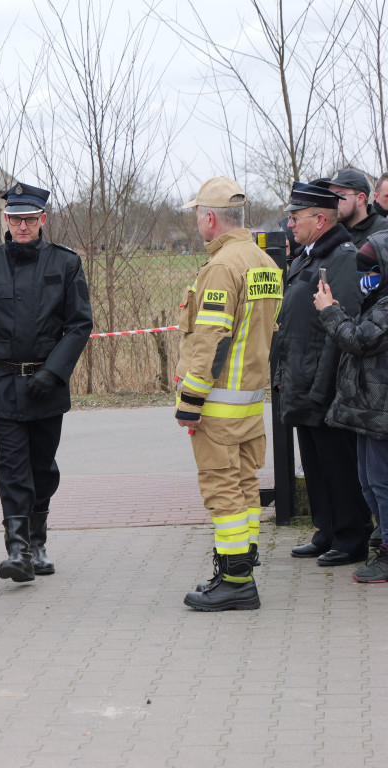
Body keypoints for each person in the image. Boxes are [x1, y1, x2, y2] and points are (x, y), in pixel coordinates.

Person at [0, 183, 93, 582]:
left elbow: (79, 324)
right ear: (5, 220)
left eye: (30, 219)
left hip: (47, 384)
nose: (22, 226)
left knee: (41, 467)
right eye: (15, 219)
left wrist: (53, 371)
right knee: (12, 465)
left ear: (43, 219)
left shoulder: (65, 264)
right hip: (1, 381)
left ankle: (38, 538)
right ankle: (17, 547)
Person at [172, 177, 282, 611]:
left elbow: (212, 339)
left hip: (218, 405)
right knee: (245, 486)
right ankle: (241, 567)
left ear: (210, 218)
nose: (198, 222)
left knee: (223, 490)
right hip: (250, 402)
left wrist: (190, 401)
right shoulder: (264, 263)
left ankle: (236, 580)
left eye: (198, 214)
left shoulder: (222, 267)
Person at [275, 182, 371, 565]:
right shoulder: (305, 256)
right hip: (302, 377)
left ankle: (350, 537)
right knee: (314, 462)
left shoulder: (344, 259)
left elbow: (340, 323)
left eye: (295, 217)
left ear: (320, 219)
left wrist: (322, 384)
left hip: (325, 382)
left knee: (338, 463)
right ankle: (326, 529)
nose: (290, 224)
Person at [315, 232, 388, 582]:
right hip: (368, 411)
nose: (365, 279)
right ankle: (381, 540)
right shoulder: (379, 300)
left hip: (380, 412)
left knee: (380, 483)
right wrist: (340, 311)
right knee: (367, 481)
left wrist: (330, 313)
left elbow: (360, 340)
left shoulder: (387, 305)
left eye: (372, 270)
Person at [323, 169, 388, 249]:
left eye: (339, 195)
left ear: (360, 199)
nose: (333, 201)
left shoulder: (384, 232)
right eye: (331, 196)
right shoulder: (328, 232)